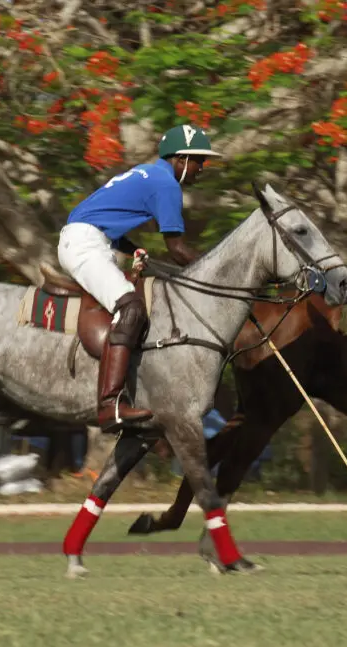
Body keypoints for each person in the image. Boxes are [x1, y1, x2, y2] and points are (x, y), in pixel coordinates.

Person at [57, 124, 222, 433]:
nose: (202, 167)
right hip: (84, 244)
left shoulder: (147, 172)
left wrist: (132, 248)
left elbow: (99, 217)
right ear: (180, 159)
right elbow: (178, 251)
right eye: (199, 160)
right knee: (131, 308)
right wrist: (217, 277)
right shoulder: (167, 185)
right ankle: (109, 406)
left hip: (88, 239)